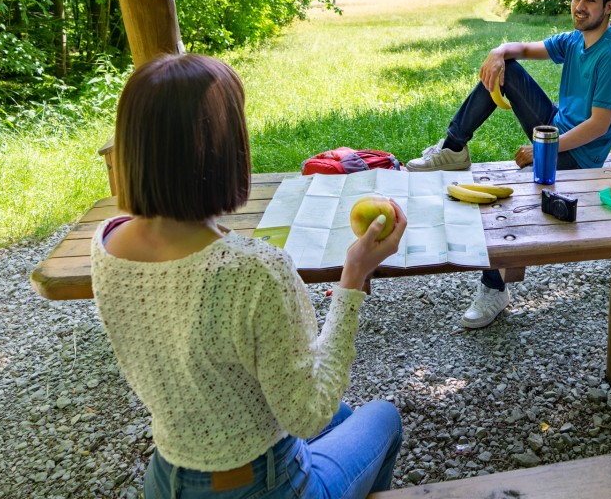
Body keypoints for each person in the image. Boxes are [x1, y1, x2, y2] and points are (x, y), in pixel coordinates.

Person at [90, 54, 406, 499]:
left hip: (167, 477)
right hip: (265, 485)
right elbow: (308, 414)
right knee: (381, 417)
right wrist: (353, 277)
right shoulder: (254, 272)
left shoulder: (106, 241)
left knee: (346, 414)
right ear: (222, 149)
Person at [407, 0, 611, 329]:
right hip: (555, 129)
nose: (580, 6)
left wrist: (543, 148)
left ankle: (494, 288)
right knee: (508, 67)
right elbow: (524, 48)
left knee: (514, 196)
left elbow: (599, 126)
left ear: (609, 6)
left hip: (580, 156)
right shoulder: (577, 41)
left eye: (591, 0)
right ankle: (454, 147)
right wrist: (499, 51)